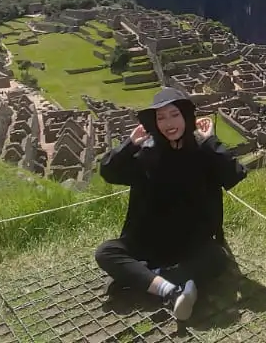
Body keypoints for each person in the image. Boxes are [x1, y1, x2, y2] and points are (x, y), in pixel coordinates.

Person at [94, 87, 249, 321]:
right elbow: (108, 172)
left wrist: (211, 142)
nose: (169, 123)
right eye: (161, 117)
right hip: (148, 241)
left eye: (174, 114)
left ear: (186, 117)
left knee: (216, 258)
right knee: (106, 252)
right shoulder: (147, 154)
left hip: (189, 243)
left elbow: (233, 175)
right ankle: (172, 289)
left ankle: (147, 279)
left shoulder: (202, 154)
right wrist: (130, 144)